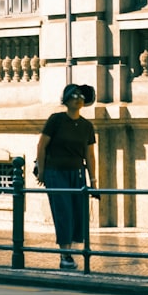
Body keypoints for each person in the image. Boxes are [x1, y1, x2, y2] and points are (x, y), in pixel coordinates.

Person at [34, 83, 97, 270]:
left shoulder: (87, 126)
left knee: (78, 212)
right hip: (55, 173)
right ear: (66, 99)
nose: (78, 99)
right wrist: (42, 172)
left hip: (77, 174)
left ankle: (71, 250)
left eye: (81, 96)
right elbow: (42, 145)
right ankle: (65, 255)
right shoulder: (56, 120)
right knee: (64, 212)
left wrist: (93, 180)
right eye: (74, 95)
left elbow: (90, 155)